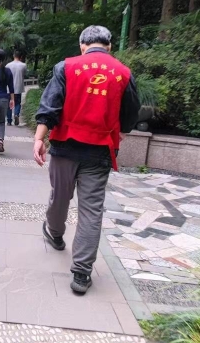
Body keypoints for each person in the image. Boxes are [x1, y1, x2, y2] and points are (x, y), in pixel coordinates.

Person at [33, 25, 140, 294]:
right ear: (109, 46)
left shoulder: (66, 67)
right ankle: (81, 273)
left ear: (82, 45)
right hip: (99, 151)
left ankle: (55, 233)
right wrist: (121, 131)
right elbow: (130, 113)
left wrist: (39, 139)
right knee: (91, 210)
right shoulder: (123, 73)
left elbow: (50, 106)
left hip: (64, 147)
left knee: (60, 196)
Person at [6, 50, 27, 126]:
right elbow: (24, 74)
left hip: (9, 88)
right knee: (17, 103)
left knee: (9, 104)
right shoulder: (23, 65)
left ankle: (9, 121)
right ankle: (16, 114)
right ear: (21, 57)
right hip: (18, 87)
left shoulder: (8, 65)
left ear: (13, 56)